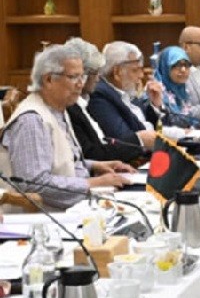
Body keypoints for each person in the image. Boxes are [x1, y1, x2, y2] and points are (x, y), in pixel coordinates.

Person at [0, 45, 133, 210]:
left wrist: (94, 166)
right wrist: (93, 183)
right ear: (49, 79)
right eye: (73, 77)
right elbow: (34, 184)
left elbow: (58, 163)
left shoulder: (57, 110)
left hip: (72, 210)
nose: (80, 84)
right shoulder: (31, 121)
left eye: (82, 76)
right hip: (43, 219)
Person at [64, 38, 147, 165]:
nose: (98, 78)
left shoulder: (83, 102)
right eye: (94, 73)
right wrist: (140, 140)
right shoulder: (92, 97)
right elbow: (93, 153)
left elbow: (102, 143)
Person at [88, 42, 160, 149]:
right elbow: (124, 139)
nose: (141, 75)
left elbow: (148, 122)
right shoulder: (99, 96)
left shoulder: (126, 89)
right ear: (117, 72)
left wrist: (155, 105)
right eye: (135, 70)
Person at [139, 46, 200, 133]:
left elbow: (189, 118)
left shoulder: (183, 90)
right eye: (177, 65)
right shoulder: (153, 90)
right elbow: (158, 124)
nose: (183, 70)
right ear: (165, 66)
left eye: (187, 65)